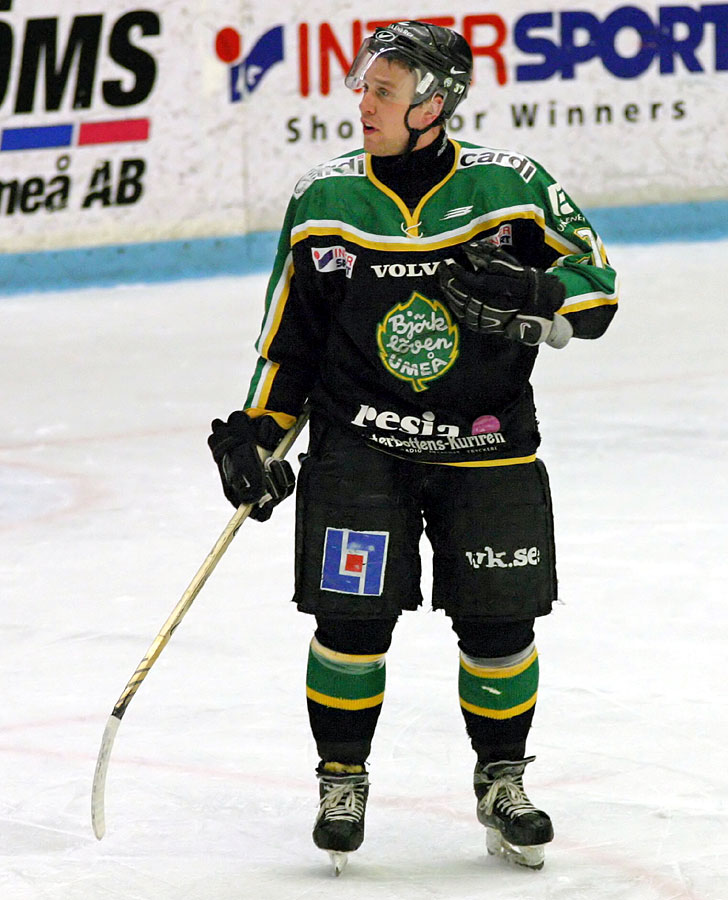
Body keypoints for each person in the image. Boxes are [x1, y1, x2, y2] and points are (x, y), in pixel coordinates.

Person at [208, 21, 618, 874]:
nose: (363, 103)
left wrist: (539, 288)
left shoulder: (513, 188)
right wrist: (257, 433)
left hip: (488, 444)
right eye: (364, 86)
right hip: (360, 447)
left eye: (384, 91)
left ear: (433, 105)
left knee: (500, 624)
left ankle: (502, 779)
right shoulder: (325, 200)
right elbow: (289, 343)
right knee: (349, 623)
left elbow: (599, 289)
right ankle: (341, 779)